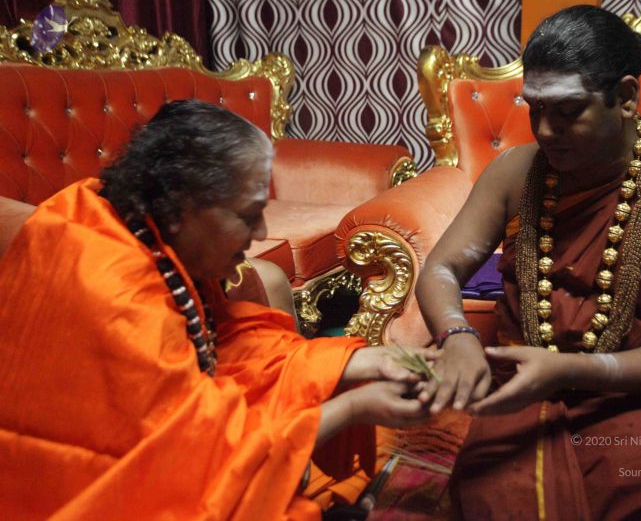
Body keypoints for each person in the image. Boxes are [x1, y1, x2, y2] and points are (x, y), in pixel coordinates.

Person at [0, 100, 432, 520]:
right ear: (181, 209)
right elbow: (193, 447)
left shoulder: (139, 222)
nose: (261, 232)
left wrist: (366, 361)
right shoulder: (114, 290)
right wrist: (354, 408)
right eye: (248, 215)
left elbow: (227, 347)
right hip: (87, 488)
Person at [415, 5, 641, 520]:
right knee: (499, 498)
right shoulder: (515, 172)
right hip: (520, 388)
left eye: (567, 110)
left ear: (625, 97)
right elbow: (441, 270)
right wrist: (457, 336)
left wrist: (571, 370)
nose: (544, 130)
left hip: (633, 391)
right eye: (534, 109)